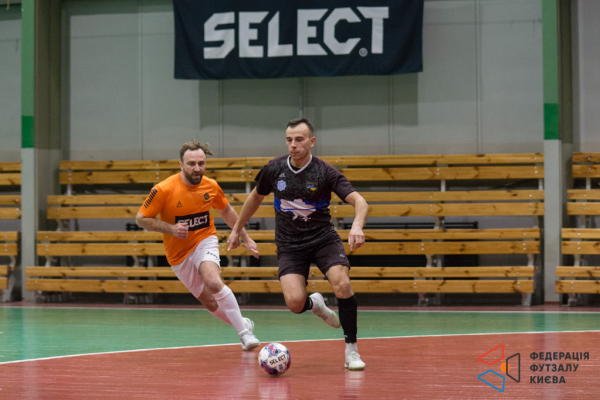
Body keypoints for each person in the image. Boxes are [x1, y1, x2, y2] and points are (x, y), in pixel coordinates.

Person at [228, 117, 368, 370]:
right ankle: (316, 304)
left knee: (342, 283)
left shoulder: (325, 172)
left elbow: (360, 202)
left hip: (323, 240)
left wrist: (357, 226)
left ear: (312, 142)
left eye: (299, 140)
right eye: (289, 140)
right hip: (289, 244)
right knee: (295, 303)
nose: (293, 144)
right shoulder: (275, 169)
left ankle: (351, 350)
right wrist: (237, 230)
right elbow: (255, 198)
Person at [136, 140, 261, 351]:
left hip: (205, 239)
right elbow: (141, 219)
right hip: (178, 254)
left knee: (213, 281)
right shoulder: (163, 189)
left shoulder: (211, 186)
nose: (197, 168)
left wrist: (245, 237)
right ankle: (244, 323)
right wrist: (171, 229)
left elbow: (226, 211)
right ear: (181, 165)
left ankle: (244, 334)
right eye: (191, 164)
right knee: (211, 303)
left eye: (201, 163)